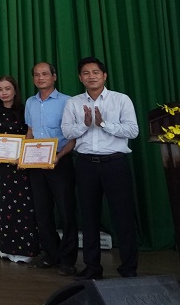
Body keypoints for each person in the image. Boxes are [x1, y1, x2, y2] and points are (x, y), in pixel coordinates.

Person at [61, 57, 140, 280]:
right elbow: (67, 132)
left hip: (115, 164)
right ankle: (93, 268)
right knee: (89, 218)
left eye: (96, 72)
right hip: (86, 165)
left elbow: (133, 130)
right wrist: (85, 124)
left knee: (123, 218)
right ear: (80, 78)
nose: (91, 76)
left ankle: (128, 269)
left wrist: (104, 123)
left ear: (104, 75)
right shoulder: (74, 103)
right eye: (86, 73)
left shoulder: (121, 100)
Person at [25, 61, 78, 276]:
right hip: (36, 164)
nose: (41, 78)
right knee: (42, 212)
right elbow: (30, 132)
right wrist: (25, 155)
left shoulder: (68, 102)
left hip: (60, 162)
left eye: (45, 74)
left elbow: (73, 137)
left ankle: (68, 260)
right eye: (37, 75)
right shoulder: (30, 102)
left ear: (54, 77)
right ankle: (51, 254)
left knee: (66, 212)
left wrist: (59, 156)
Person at [0, 75, 38, 262]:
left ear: (15, 90)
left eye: (7, 88)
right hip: (0, 169)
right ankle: (7, 248)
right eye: (0, 89)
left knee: (23, 207)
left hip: (20, 167)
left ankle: (25, 251)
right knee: (4, 207)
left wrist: (21, 157)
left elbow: (30, 136)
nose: (4, 93)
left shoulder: (24, 111)